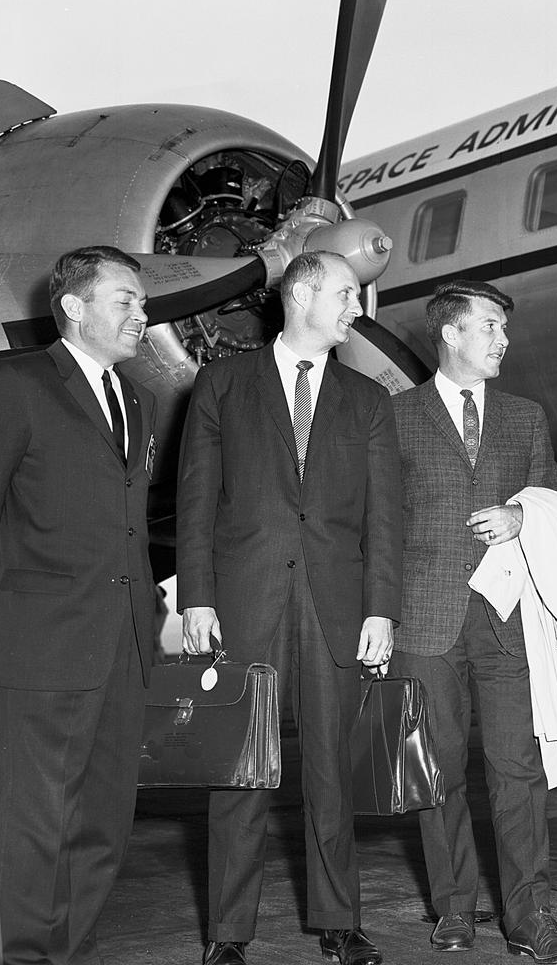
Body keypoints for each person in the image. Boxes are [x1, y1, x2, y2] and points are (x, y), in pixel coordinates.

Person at [177, 250, 404, 965]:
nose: (356, 310)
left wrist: (382, 610)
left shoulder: (366, 400)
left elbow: (386, 520)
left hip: (337, 607)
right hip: (246, 603)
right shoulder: (220, 385)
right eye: (344, 295)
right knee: (238, 770)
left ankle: (340, 922)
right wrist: (197, 598)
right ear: (301, 294)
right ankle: (228, 933)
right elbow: (194, 503)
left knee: (332, 770)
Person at [0, 245, 155, 965]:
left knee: (101, 827)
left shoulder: (138, 401)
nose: (142, 313)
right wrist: (2, 607)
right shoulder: (17, 384)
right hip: (39, 643)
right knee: (31, 830)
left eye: (143, 301)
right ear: (74, 306)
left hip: (123, 648)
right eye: (125, 300)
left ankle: (70, 954)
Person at [389, 280, 557, 964]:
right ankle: (453, 908)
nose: (503, 340)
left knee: (518, 770)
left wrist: (522, 517)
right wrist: (378, 620)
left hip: (505, 618)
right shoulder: (395, 416)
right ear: (451, 334)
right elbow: (377, 527)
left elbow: (553, 498)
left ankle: (530, 915)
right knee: (437, 771)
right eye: (491, 326)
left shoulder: (524, 416)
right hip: (423, 622)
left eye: (504, 328)